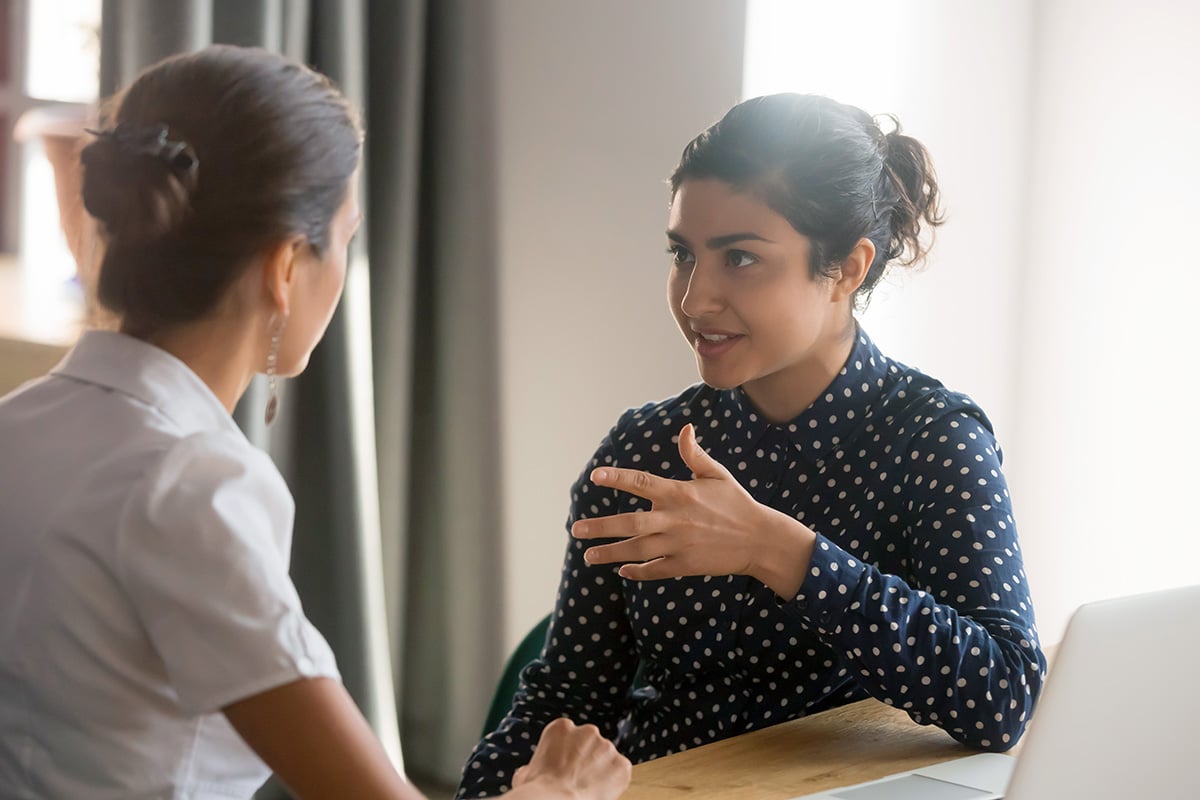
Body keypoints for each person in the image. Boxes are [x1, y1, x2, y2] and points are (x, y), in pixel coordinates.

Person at [0, 45, 630, 800]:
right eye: (346, 237)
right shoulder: (192, 487)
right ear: (285, 266)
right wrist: (560, 787)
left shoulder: (18, 424)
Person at [457, 93, 1047, 798]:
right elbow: (564, 707)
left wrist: (780, 550)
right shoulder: (644, 450)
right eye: (683, 254)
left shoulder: (933, 440)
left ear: (848, 269)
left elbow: (1006, 695)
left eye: (739, 258)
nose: (695, 299)